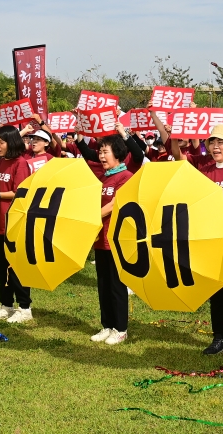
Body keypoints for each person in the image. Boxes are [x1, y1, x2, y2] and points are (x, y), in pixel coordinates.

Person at [164, 119, 223, 358]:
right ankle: (219, 337)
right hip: (208, 241)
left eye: (221, 143)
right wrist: (174, 133)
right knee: (214, 292)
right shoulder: (205, 167)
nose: (215, 147)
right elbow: (178, 157)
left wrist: (212, 221)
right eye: (212, 142)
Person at [89, 134, 135, 346]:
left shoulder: (125, 177)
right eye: (100, 151)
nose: (101, 155)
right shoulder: (103, 177)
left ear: (117, 154)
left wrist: (92, 215)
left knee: (117, 285)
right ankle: (107, 325)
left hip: (116, 239)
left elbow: (116, 204)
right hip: (100, 238)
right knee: (103, 284)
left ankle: (120, 328)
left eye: (105, 151)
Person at [0, 125, 35, 323]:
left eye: (1, 142)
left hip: (13, 223)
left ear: (11, 142)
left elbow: (20, 192)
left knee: (15, 267)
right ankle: (6, 305)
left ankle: (25, 307)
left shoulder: (20, 163)